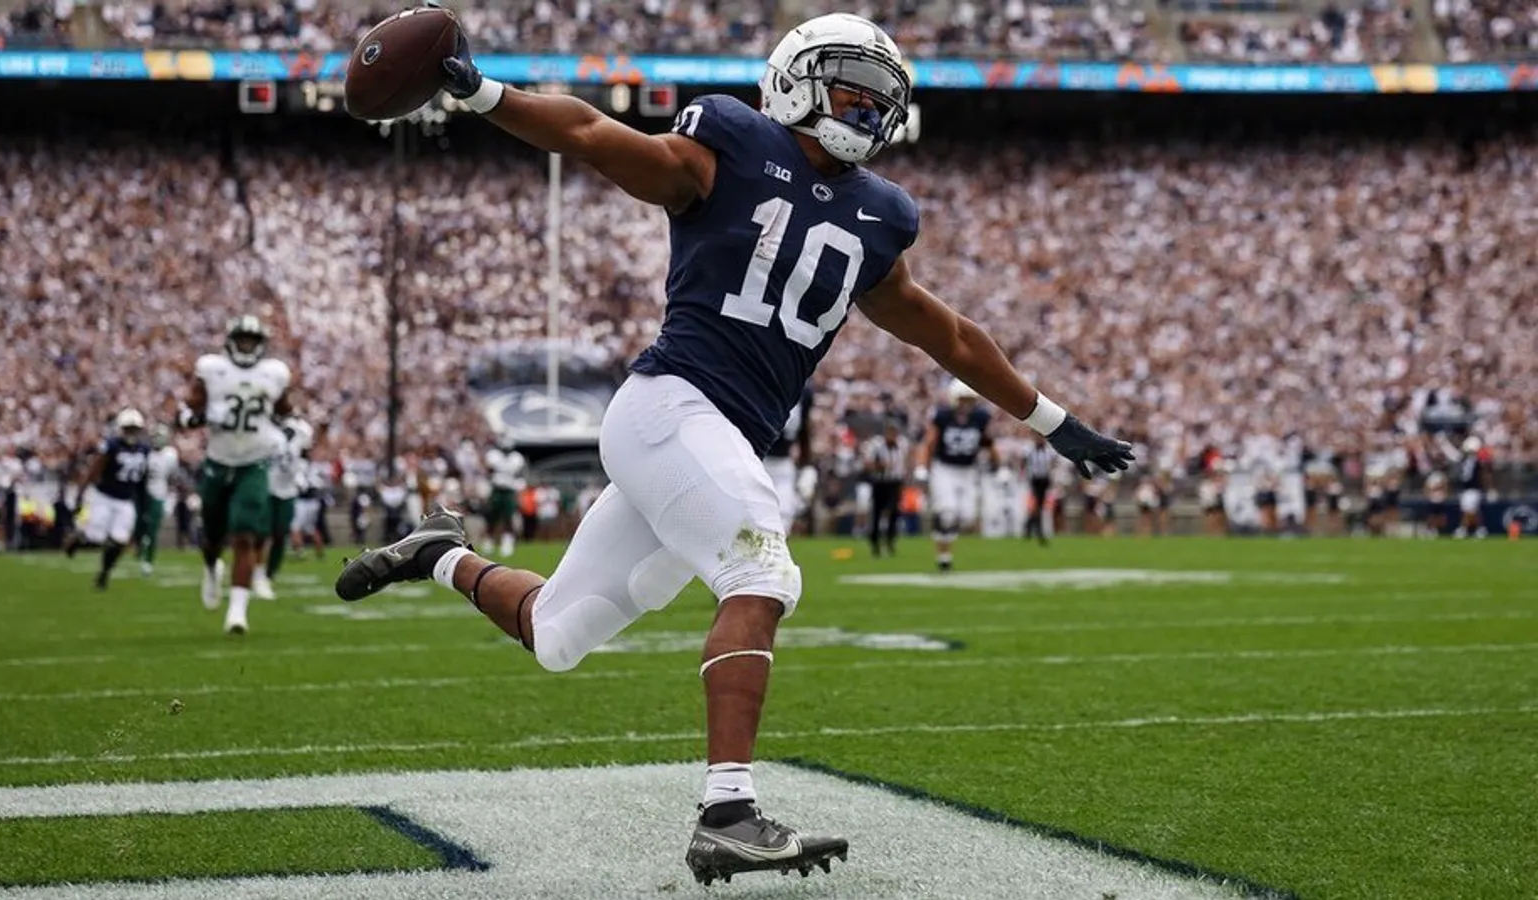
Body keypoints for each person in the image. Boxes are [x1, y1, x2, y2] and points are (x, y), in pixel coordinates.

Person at [335, 12, 1131, 886]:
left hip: (709, 438)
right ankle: (727, 810)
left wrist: (1054, 423)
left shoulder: (882, 217)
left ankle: (440, 553)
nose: (865, 108)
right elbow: (597, 136)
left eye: (878, 95)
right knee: (762, 571)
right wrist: (483, 93)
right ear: (796, 79)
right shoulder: (732, 143)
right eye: (850, 86)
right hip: (670, 404)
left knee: (559, 634)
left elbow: (947, 333)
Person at [176, 315, 295, 635]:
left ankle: (238, 612)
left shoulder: (274, 373)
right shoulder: (213, 369)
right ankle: (212, 567)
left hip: (254, 463)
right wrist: (193, 418)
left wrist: (286, 424)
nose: (246, 346)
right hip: (218, 461)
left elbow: (285, 410)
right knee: (213, 536)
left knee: (245, 536)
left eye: (251, 341)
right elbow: (188, 409)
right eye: (242, 340)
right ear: (230, 341)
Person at [918, 378, 993, 570]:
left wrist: (997, 464)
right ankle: (944, 556)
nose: (966, 405)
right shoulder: (943, 416)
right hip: (945, 468)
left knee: (967, 516)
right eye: (962, 400)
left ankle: (944, 539)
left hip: (968, 470)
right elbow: (929, 442)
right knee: (947, 512)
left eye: (969, 400)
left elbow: (988, 442)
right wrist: (922, 467)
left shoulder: (980, 417)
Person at [73, 409, 151, 590]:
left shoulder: (144, 449)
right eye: (128, 429)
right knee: (96, 537)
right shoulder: (112, 446)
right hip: (104, 496)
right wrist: (81, 492)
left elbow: (142, 480)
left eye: (134, 429)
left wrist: (144, 505)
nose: (131, 433)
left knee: (120, 540)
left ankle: (104, 574)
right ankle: (76, 539)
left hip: (125, 500)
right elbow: (95, 469)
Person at [257, 417, 315, 598]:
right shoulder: (264, 425)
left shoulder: (301, 429)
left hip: (287, 490)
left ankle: (268, 575)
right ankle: (257, 573)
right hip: (266, 487)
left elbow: (305, 453)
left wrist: (300, 474)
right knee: (261, 533)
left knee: (280, 535)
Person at [762, 385, 813, 535]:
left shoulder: (804, 392)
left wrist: (806, 462)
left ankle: (773, 556)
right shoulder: (762, 383)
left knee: (785, 511)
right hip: (758, 460)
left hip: (784, 463)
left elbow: (804, 429)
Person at [862, 418, 910, 556]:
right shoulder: (876, 445)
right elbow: (867, 463)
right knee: (877, 513)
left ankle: (890, 540)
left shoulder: (902, 443)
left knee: (894, 511)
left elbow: (906, 460)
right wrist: (879, 466)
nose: (892, 435)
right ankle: (875, 542)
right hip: (880, 482)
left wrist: (905, 475)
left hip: (895, 482)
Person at [137, 424, 180, 576]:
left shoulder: (170, 455)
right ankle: (141, 551)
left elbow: (173, 477)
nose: (156, 440)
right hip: (143, 493)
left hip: (159, 493)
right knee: (140, 527)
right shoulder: (145, 453)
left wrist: (170, 495)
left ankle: (148, 560)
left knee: (152, 530)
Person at [484, 434, 526, 557]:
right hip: (496, 489)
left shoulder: (517, 458)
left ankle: (507, 542)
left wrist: (519, 486)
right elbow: (488, 470)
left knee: (508, 517)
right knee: (492, 516)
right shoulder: (493, 456)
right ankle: (489, 541)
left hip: (509, 490)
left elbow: (520, 474)